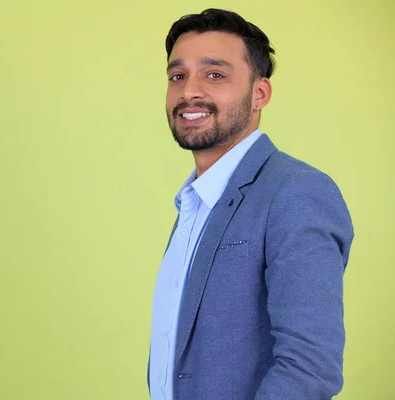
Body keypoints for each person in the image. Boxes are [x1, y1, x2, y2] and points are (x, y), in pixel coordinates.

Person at [148, 8, 354, 400]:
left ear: (259, 93)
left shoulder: (297, 192)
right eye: (178, 76)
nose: (189, 90)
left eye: (215, 74)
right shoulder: (195, 201)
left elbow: (310, 370)